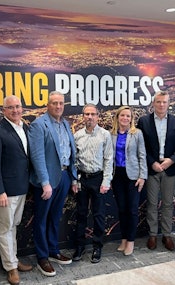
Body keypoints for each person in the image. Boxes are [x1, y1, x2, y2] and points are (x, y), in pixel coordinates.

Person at [0, 95, 33, 285]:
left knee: (13, 226)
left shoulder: (24, 127)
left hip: (21, 188)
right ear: (3, 110)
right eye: (10, 107)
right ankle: (11, 267)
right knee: (5, 229)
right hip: (5, 192)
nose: (15, 110)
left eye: (18, 106)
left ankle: (13, 259)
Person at [28, 91, 78, 277]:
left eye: (61, 103)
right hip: (47, 181)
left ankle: (53, 250)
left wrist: (73, 178)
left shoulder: (65, 124)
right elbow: (37, 156)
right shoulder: (38, 125)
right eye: (54, 103)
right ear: (48, 104)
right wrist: (44, 182)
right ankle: (42, 257)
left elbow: (71, 152)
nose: (58, 106)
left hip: (64, 177)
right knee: (41, 218)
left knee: (55, 216)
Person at [137, 91, 175, 251]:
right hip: (152, 169)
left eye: (164, 102)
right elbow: (141, 146)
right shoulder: (144, 121)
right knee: (151, 203)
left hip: (169, 168)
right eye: (158, 102)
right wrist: (152, 163)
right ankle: (152, 235)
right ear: (153, 103)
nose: (161, 105)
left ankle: (167, 235)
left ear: (168, 103)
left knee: (167, 204)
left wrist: (170, 161)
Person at [72, 104, 113, 263]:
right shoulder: (77, 136)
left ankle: (97, 247)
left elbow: (109, 159)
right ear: (83, 116)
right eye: (87, 114)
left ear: (98, 116)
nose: (89, 117)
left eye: (92, 114)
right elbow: (74, 160)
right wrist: (75, 180)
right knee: (81, 214)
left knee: (99, 215)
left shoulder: (105, 135)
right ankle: (80, 247)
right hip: (82, 179)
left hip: (98, 179)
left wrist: (106, 181)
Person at [110, 106, 147, 256]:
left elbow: (142, 155)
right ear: (117, 117)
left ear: (131, 119)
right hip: (117, 175)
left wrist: (142, 176)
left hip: (133, 176)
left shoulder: (137, 134)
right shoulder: (111, 134)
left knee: (132, 210)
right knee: (122, 209)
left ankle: (131, 241)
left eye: (128, 116)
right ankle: (124, 239)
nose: (125, 118)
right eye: (122, 115)